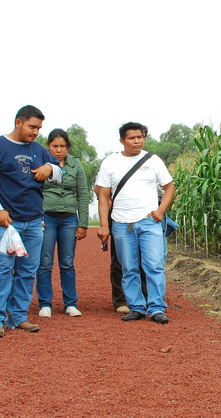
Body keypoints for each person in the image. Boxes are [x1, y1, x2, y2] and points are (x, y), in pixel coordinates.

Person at [0, 105, 62, 338]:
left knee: (27, 270)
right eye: (32, 126)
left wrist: (49, 167)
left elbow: (59, 173)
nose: (36, 132)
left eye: (39, 128)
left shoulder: (38, 149)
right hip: (6, 221)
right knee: (3, 269)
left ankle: (18, 316)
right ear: (18, 122)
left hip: (34, 221)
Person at [95, 122, 175, 324]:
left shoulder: (154, 160)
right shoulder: (110, 163)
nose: (136, 141)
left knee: (154, 266)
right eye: (131, 138)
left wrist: (161, 211)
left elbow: (169, 187)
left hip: (149, 222)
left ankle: (156, 307)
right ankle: (137, 307)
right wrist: (104, 225)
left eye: (140, 137)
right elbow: (103, 196)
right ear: (122, 140)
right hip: (122, 223)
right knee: (128, 267)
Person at [36, 128, 89, 318]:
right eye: (55, 146)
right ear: (48, 146)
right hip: (46, 217)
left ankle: (70, 303)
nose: (59, 150)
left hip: (68, 218)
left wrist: (82, 223)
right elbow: (33, 190)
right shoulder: (41, 162)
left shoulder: (76, 165)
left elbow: (83, 193)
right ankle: (45, 303)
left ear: (67, 147)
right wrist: (37, 216)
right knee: (45, 262)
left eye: (63, 146)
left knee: (67, 262)